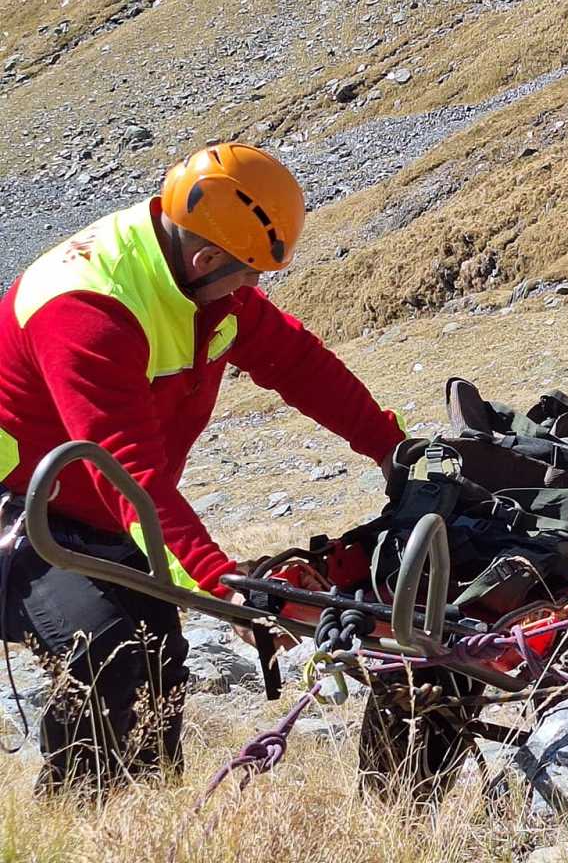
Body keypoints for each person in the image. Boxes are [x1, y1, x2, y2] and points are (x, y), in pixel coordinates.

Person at [0, 143, 406, 793]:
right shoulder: (85, 312)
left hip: (100, 510)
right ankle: (75, 827)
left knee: (160, 658)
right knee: (105, 649)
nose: (253, 288)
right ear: (206, 257)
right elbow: (125, 471)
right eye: (247, 273)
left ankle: (146, 817)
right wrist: (223, 585)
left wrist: (388, 446)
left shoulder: (206, 286)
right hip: (21, 512)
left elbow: (296, 363)